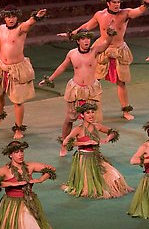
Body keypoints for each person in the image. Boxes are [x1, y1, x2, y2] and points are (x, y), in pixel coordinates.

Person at [58, 0, 149, 120]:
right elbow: (87, 26)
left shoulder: (125, 13)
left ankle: (126, 110)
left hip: (119, 50)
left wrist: (146, 4)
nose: (117, 5)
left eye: (118, 2)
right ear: (108, 3)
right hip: (101, 50)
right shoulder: (100, 15)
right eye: (114, 2)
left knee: (121, 82)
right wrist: (71, 34)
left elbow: (138, 11)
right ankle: (86, 109)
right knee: (92, 80)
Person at [39, 27, 115, 156]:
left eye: (88, 38)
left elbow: (107, 43)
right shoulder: (72, 54)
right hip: (75, 90)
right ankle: (64, 144)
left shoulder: (95, 51)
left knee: (93, 120)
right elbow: (62, 66)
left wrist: (110, 33)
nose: (86, 41)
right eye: (83, 39)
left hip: (92, 90)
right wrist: (49, 79)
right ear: (78, 41)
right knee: (70, 119)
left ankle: (92, 146)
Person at [0, 140, 61, 229]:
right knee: (26, 219)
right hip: (12, 202)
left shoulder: (30, 166)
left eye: (22, 151)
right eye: (17, 152)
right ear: (10, 155)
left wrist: (40, 179)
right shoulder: (5, 170)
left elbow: (51, 169)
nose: (20, 154)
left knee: (28, 218)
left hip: (29, 200)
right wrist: (12, 183)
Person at [0, 5, 47, 139]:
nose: (11, 19)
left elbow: (29, 23)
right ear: (4, 18)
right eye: (8, 17)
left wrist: (36, 17)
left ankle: (18, 128)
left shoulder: (21, 29)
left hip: (17, 69)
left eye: (14, 16)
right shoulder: (1, 28)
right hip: (1, 66)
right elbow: (0, 40)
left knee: (18, 101)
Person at [60, 102, 133, 198]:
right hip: (84, 159)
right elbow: (66, 142)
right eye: (88, 113)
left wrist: (107, 138)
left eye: (92, 112)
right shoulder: (78, 129)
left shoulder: (97, 126)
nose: (91, 115)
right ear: (82, 115)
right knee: (91, 185)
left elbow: (113, 132)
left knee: (115, 177)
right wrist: (84, 143)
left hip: (96, 157)